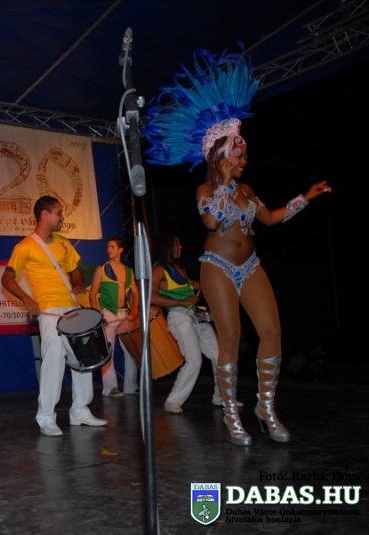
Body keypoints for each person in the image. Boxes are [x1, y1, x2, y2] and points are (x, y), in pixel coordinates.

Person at [143, 49, 332, 446]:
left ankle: (265, 408)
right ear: (220, 156)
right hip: (217, 266)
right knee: (229, 336)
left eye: (244, 154)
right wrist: (224, 184)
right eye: (238, 153)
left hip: (250, 265)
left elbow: (271, 218)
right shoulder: (205, 189)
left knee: (271, 331)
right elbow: (211, 222)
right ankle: (231, 414)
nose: (244, 159)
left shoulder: (247, 189)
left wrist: (306, 197)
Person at [1, 196, 107, 436]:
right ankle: (46, 417)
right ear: (45, 215)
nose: (62, 217)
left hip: (72, 307)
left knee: (83, 359)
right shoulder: (24, 246)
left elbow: (75, 271)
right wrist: (27, 299)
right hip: (49, 311)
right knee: (53, 362)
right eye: (59, 213)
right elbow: (6, 278)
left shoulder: (64, 243)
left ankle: (80, 410)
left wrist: (78, 284)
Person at [150, 231, 242, 414]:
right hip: (179, 318)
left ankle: (221, 396)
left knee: (219, 356)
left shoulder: (179, 269)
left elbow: (196, 285)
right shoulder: (158, 270)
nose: (180, 247)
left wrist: (220, 280)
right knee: (194, 361)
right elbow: (150, 297)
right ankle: (173, 401)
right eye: (177, 244)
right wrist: (180, 301)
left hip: (195, 317)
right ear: (167, 247)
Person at [89, 237, 139, 397]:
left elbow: (135, 293)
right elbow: (92, 293)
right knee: (108, 351)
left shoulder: (128, 271)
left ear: (120, 250)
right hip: (108, 313)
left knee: (130, 352)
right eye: (107, 247)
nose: (108, 249)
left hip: (125, 314)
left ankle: (131, 386)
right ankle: (110, 388)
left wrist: (134, 310)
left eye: (112, 247)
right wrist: (97, 316)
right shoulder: (101, 269)